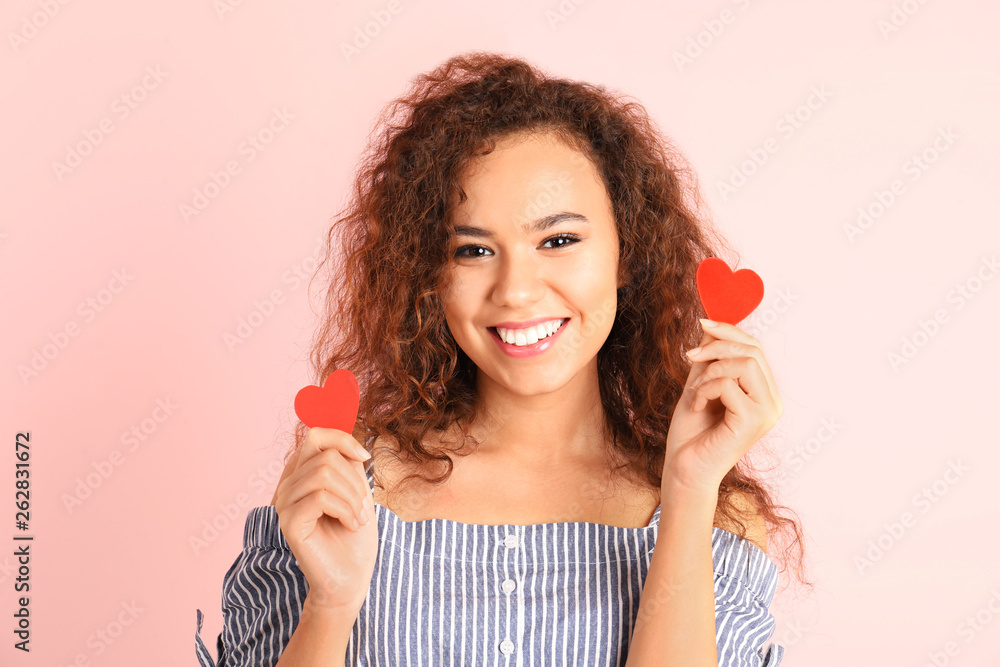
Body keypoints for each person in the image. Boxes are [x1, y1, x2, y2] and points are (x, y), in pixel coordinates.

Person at [195, 51, 808, 666]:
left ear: (627, 252)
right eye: (472, 250)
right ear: (428, 273)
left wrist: (688, 489)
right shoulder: (344, 489)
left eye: (559, 240)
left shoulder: (715, 515)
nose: (516, 290)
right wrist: (332, 602)